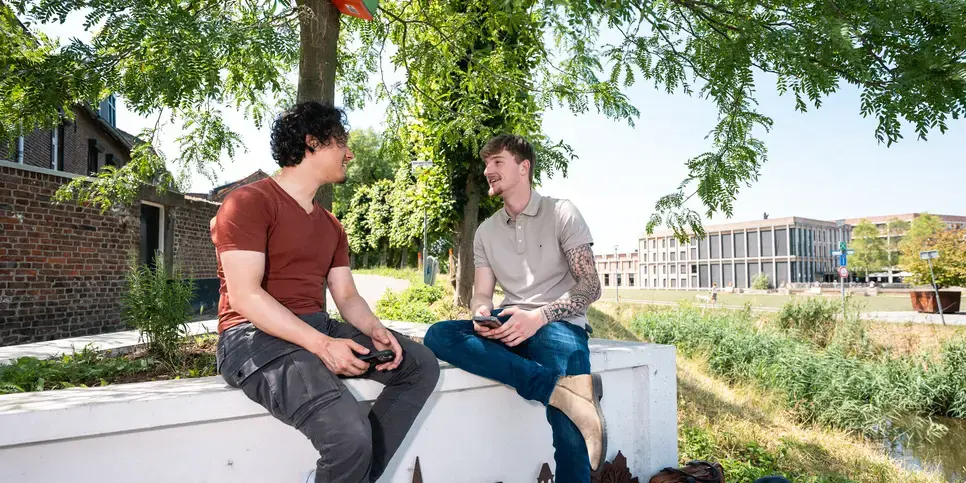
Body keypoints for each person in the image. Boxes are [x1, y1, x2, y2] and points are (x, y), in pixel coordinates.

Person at [210, 101, 440, 483]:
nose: (350, 153)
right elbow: (245, 296)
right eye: (341, 143)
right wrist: (321, 345)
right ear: (312, 142)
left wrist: (375, 328)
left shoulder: (331, 225)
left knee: (419, 366)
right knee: (350, 439)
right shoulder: (248, 202)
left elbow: (346, 296)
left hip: (315, 327)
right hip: (253, 338)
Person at [423, 134, 607, 481]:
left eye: (497, 161)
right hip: (507, 322)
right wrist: (480, 313)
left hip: (558, 323)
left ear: (524, 167)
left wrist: (538, 317)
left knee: (568, 432)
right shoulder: (485, 232)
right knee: (438, 335)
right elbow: (482, 295)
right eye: (486, 163)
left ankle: (566, 397)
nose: (488, 170)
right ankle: (558, 390)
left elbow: (591, 286)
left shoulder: (562, 212)